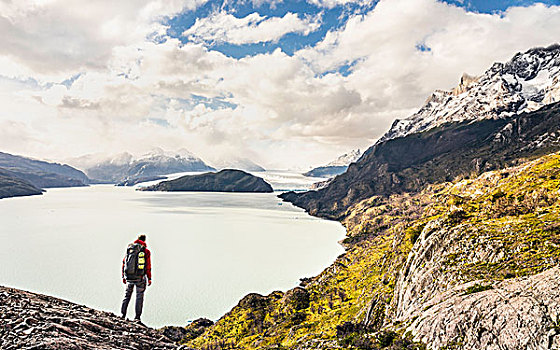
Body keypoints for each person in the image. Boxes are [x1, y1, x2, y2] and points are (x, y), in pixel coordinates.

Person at [121, 234, 152, 322]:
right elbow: (148, 266)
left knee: (127, 296)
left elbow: (124, 262)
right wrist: (149, 278)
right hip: (140, 277)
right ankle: (137, 317)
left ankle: (122, 315)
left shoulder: (130, 249)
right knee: (139, 297)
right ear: (144, 241)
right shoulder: (145, 251)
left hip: (129, 277)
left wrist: (123, 276)